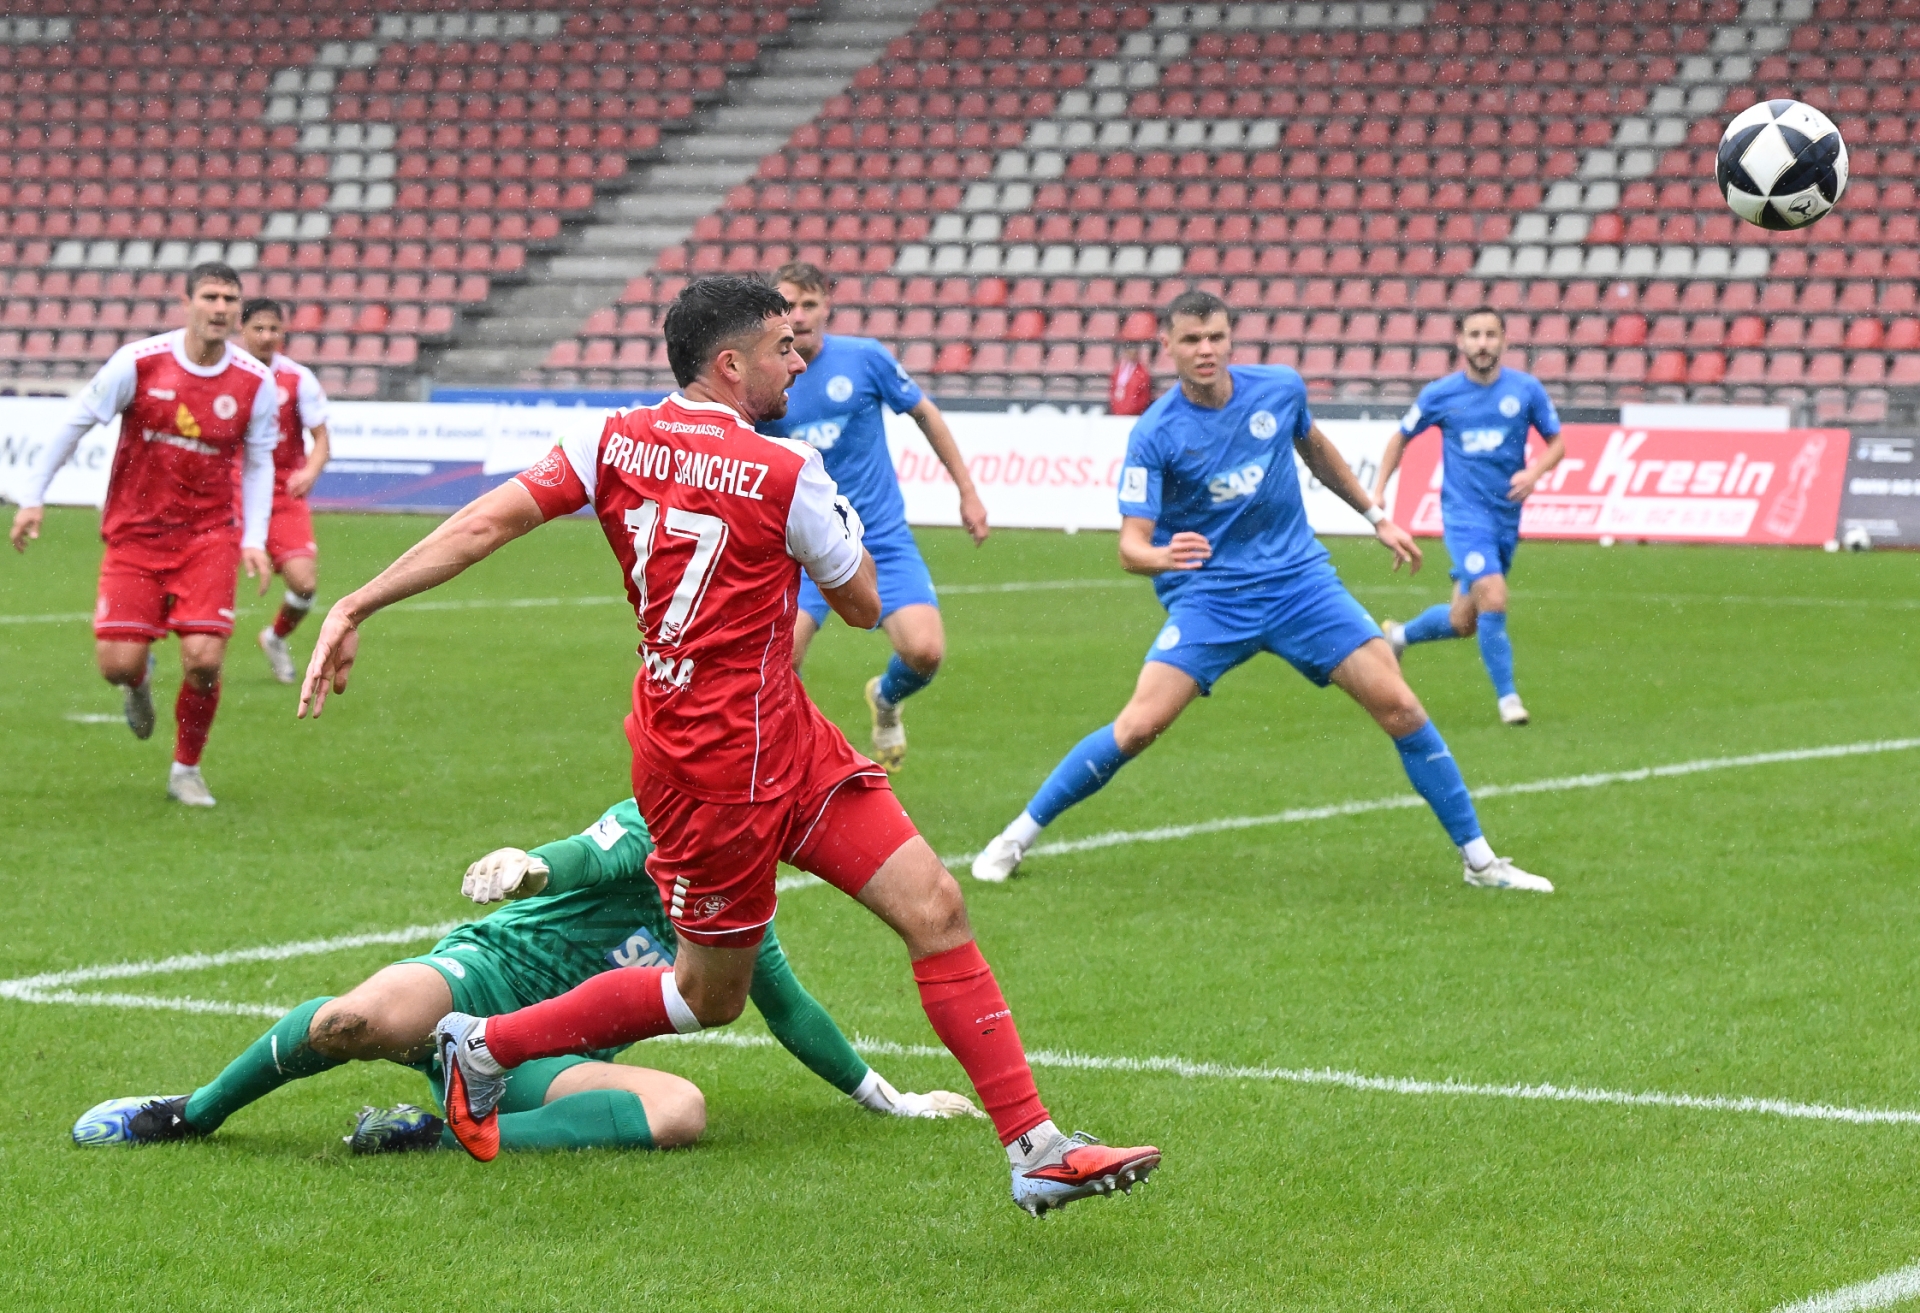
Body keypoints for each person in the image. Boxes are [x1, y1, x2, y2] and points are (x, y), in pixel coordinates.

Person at [298, 275, 1159, 1217]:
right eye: (784, 347)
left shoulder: (606, 439)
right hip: (713, 772)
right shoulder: (789, 472)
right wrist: (839, 530)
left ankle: (1035, 1148)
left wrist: (357, 601)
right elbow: (863, 605)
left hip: (778, 733)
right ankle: (487, 1044)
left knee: (935, 903)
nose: (800, 362)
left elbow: (483, 523)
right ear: (731, 363)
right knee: (710, 996)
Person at [970, 291, 1551, 894]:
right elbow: (1130, 548)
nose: (1206, 350)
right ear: (1167, 346)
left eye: (1216, 337)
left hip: (1301, 585)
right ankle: (1015, 836)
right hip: (1214, 598)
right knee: (1138, 727)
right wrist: (1163, 557)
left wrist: (1376, 516)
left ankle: (1481, 862)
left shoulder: (1279, 389)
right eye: (1191, 340)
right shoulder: (1155, 433)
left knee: (1401, 707)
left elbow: (1317, 451)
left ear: (1231, 338)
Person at [71, 796, 974, 1154]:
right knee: (358, 1021)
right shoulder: (658, 821)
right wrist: (529, 867)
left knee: (680, 1112)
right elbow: (582, 856)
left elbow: (792, 1011)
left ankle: (429, 1136)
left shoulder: (738, 909)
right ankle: (189, 1113)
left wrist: (892, 1101)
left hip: (531, 1056)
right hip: (480, 979)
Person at [7, 261, 278, 807]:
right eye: (210, 296)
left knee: (204, 660)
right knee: (118, 666)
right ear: (186, 302)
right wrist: (33, 495)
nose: (220, 307)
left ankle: (186, 768)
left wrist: (254, 536)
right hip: (135, 535)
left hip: (209, 536)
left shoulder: (255, 380)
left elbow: (258, 463)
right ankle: (137, 685)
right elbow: (76, 423)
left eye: (229, 298)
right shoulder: (139, 362)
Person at [759, 261, 988, 772]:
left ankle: (885, 698)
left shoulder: (864, 358)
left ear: (827, 307)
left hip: (879, 537)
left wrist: (968, 492)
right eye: (789, 306)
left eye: (810, 304)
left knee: (925, 653)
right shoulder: (764, 377)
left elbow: (925, 413)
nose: (800, 316)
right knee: (780, 663)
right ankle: (799, 763)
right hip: (802, 547)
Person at [1371, 307, 1565, 726]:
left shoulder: (1525, 390)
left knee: (1463, 621)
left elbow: (1557, 443)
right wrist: (1379, 489)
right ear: (1460, 342)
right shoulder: (1440, 394)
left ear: (1504, 341)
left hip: (1505, 518)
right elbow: (1400, 437)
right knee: (1493, 595)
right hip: (1463, 516)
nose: (1482, 343)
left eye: (1490, 335)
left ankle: (1397, 635)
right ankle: (1509, 700)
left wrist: (1534, 472)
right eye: (1474, 335)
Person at [237, 298, 332, 685]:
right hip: (224, 493)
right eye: (258, 328)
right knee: (179, 575)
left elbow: (321, 439)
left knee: (304, 584)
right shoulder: (225, 373)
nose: (266, 336)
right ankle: (143, 648)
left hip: (280, 495)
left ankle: (275, 637)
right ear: (242, 330)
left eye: (273, 329)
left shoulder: (297, 379)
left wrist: (310, 470)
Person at [1109, 341, 1154, 416]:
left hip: (1134, 413)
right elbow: (1113, 388)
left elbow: (1143, 396)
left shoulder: (1142, 373)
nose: (1131, 355)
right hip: (1118, 410)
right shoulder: (1119, 370)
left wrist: (1133, 409)